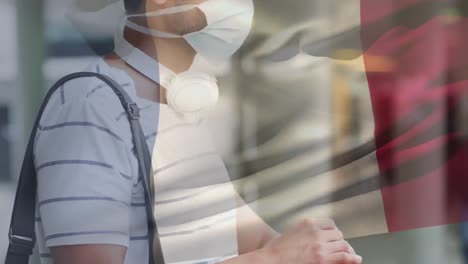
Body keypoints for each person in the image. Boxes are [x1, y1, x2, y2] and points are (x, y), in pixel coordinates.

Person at [33, 0, 363, 263]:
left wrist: (311, 249)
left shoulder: (176, 104)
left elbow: (252, 238)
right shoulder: (92, 105)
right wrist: (275, 258)